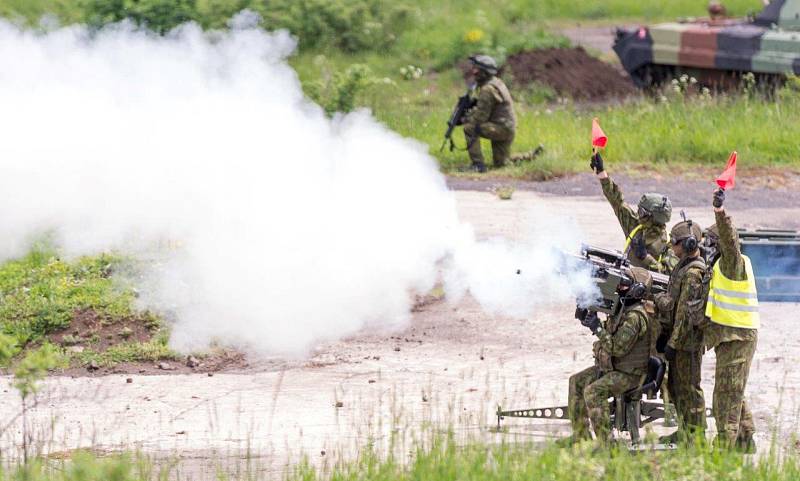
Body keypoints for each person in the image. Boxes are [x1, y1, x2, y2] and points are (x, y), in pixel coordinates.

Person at [567, 267, 653, 443]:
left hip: (629, 375)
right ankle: (581, 435)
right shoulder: (621, 310)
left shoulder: (635, 316)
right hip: (614, 368)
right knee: (576, 382)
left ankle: (607, 444)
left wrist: (597, 328)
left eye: (625, 284)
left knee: (593, 392)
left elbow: (616, 348)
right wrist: (589, 318)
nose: (619, 287)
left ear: (637, 290)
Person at [703, 188, 759, 451]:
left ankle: (725, 448)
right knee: (734, 388)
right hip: (730, 337)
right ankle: (746, 439)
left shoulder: (732, 262)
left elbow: (729, 240)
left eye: (708, 243)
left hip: (738, 337)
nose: (705, 248)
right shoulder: (722, 266)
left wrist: (720, 211)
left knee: (725, 395)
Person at [654, 219, 708, 443]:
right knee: (676, 388)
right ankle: (685, 432)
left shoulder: (693, 274)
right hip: (678, 340)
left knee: (690, 390)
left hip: (687, 343)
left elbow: (685, 315)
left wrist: (673, 345)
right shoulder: (683, 266)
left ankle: (697, 438)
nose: (671, 247)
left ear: (687, 245)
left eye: (674, 243)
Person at [590, 152, 677, 274]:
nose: (638, 214)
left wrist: (645, 257)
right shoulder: (635, 226)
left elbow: (668, 275)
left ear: (653, 218)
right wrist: (602, 174)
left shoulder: (668, 243)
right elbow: (618, 202)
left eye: (642, 212)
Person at [462, 55, 541, 172]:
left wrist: (465, 118)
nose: (473, 72)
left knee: (470, 128)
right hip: (507, 127)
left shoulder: (487, 90)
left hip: (501, 128)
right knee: (501, 163)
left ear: (484, 72)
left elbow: (480, 119)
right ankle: (530, 156)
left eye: (477, 69)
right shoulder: (496, 83)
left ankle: (478, 165)